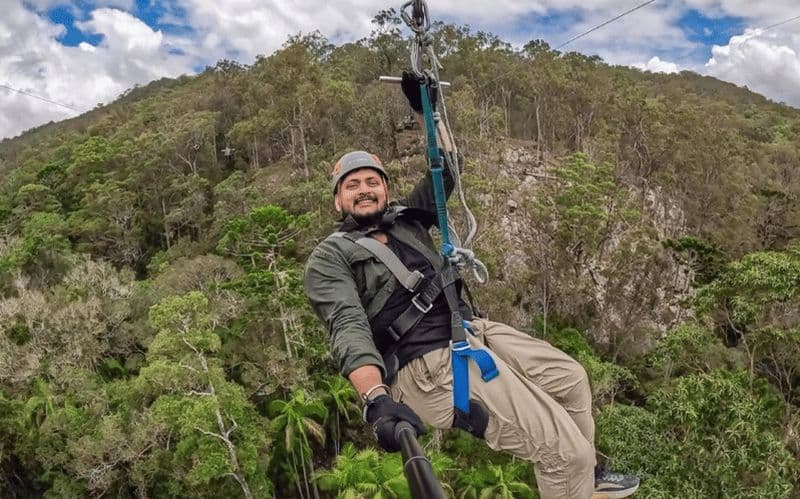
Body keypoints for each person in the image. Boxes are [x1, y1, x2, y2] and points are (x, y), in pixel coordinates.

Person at [303, 148, 640, 498]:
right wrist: (375, 398)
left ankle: (585, 480)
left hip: (466, 331)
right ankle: (575, 471)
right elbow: (347, 325)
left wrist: (426, 103)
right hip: (425, 364)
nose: (364, 189)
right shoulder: (330, 257)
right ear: (338, 202)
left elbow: (446, 164)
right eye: (352, 184)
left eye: (373, 181)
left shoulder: (407, 219)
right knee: (567, 455)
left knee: (571, 379)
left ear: (386, 190)